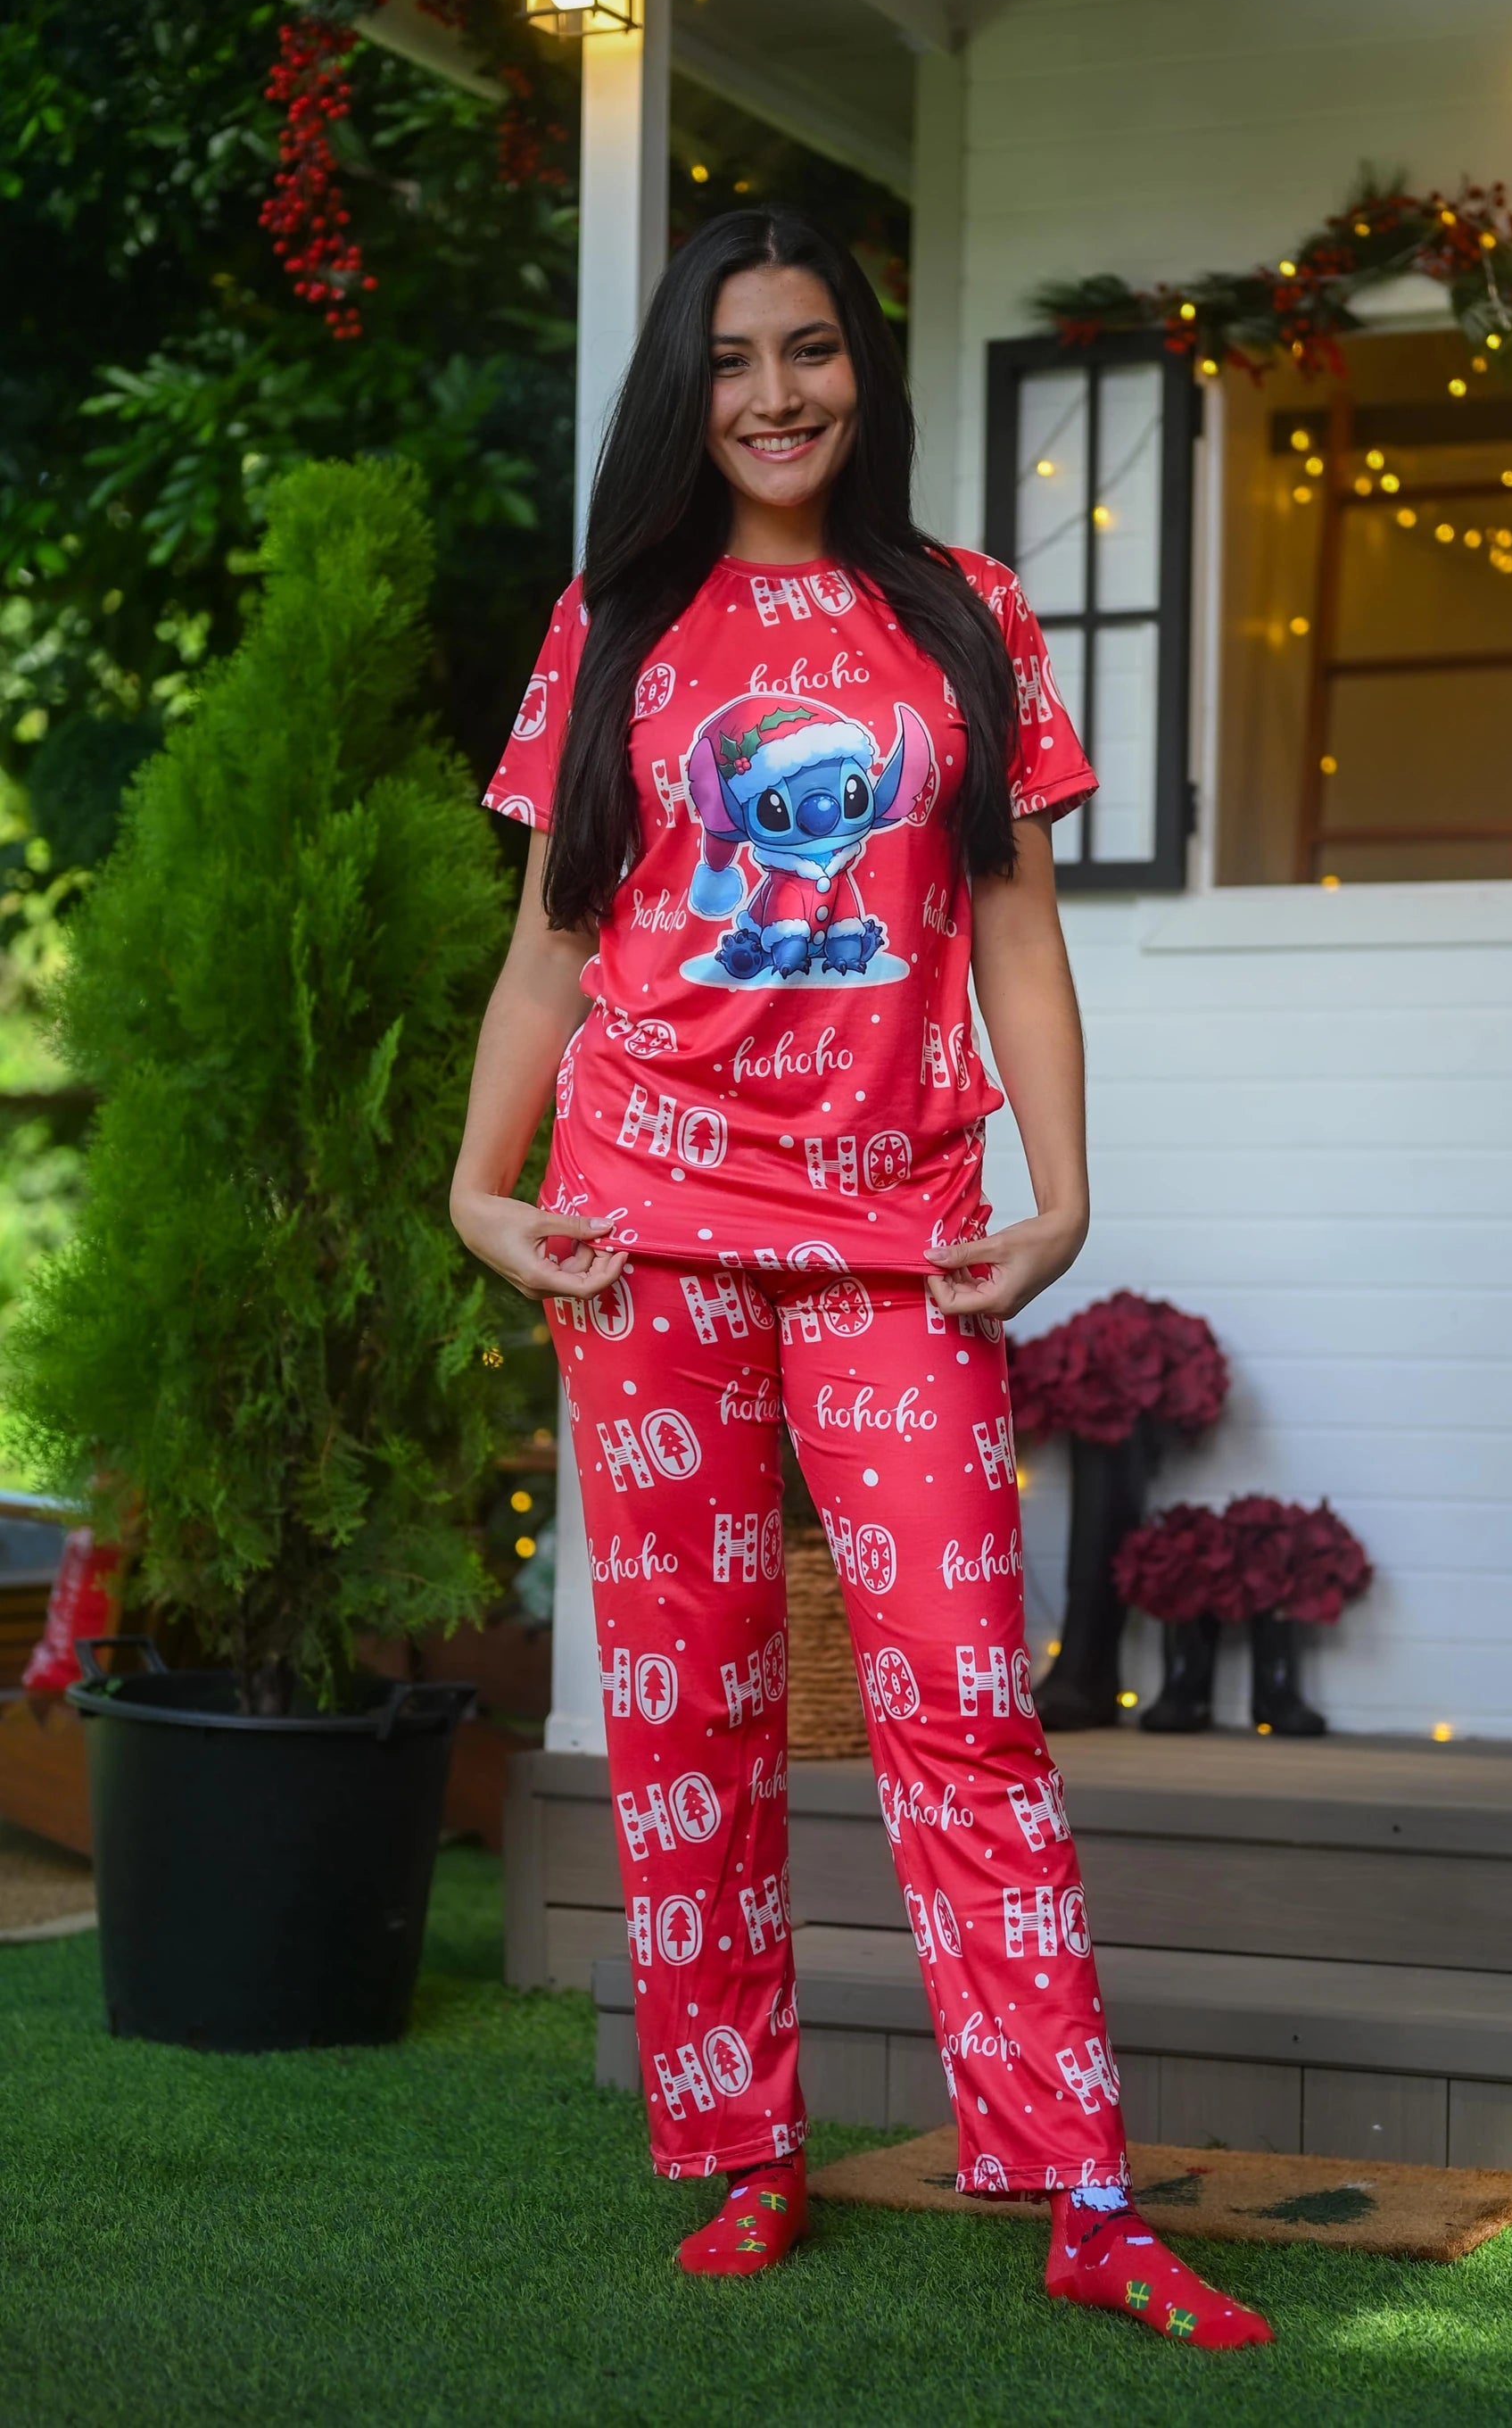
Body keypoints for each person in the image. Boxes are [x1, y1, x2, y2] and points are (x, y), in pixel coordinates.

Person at [450, 207, 1270, 2352]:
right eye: (731, 359)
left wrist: (1061, 1192)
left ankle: (1082, 2188)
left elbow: (1014, 929)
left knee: (961, 1695)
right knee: (690, 1699)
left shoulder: (961, 613)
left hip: (897, 1225)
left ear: (863, 371)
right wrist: (474, 1186)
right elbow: (551, 945)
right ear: (683, 388)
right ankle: (745, 2152)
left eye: (809, 350)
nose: (775, 394)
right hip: (640, 1219)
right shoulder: (615, 622)